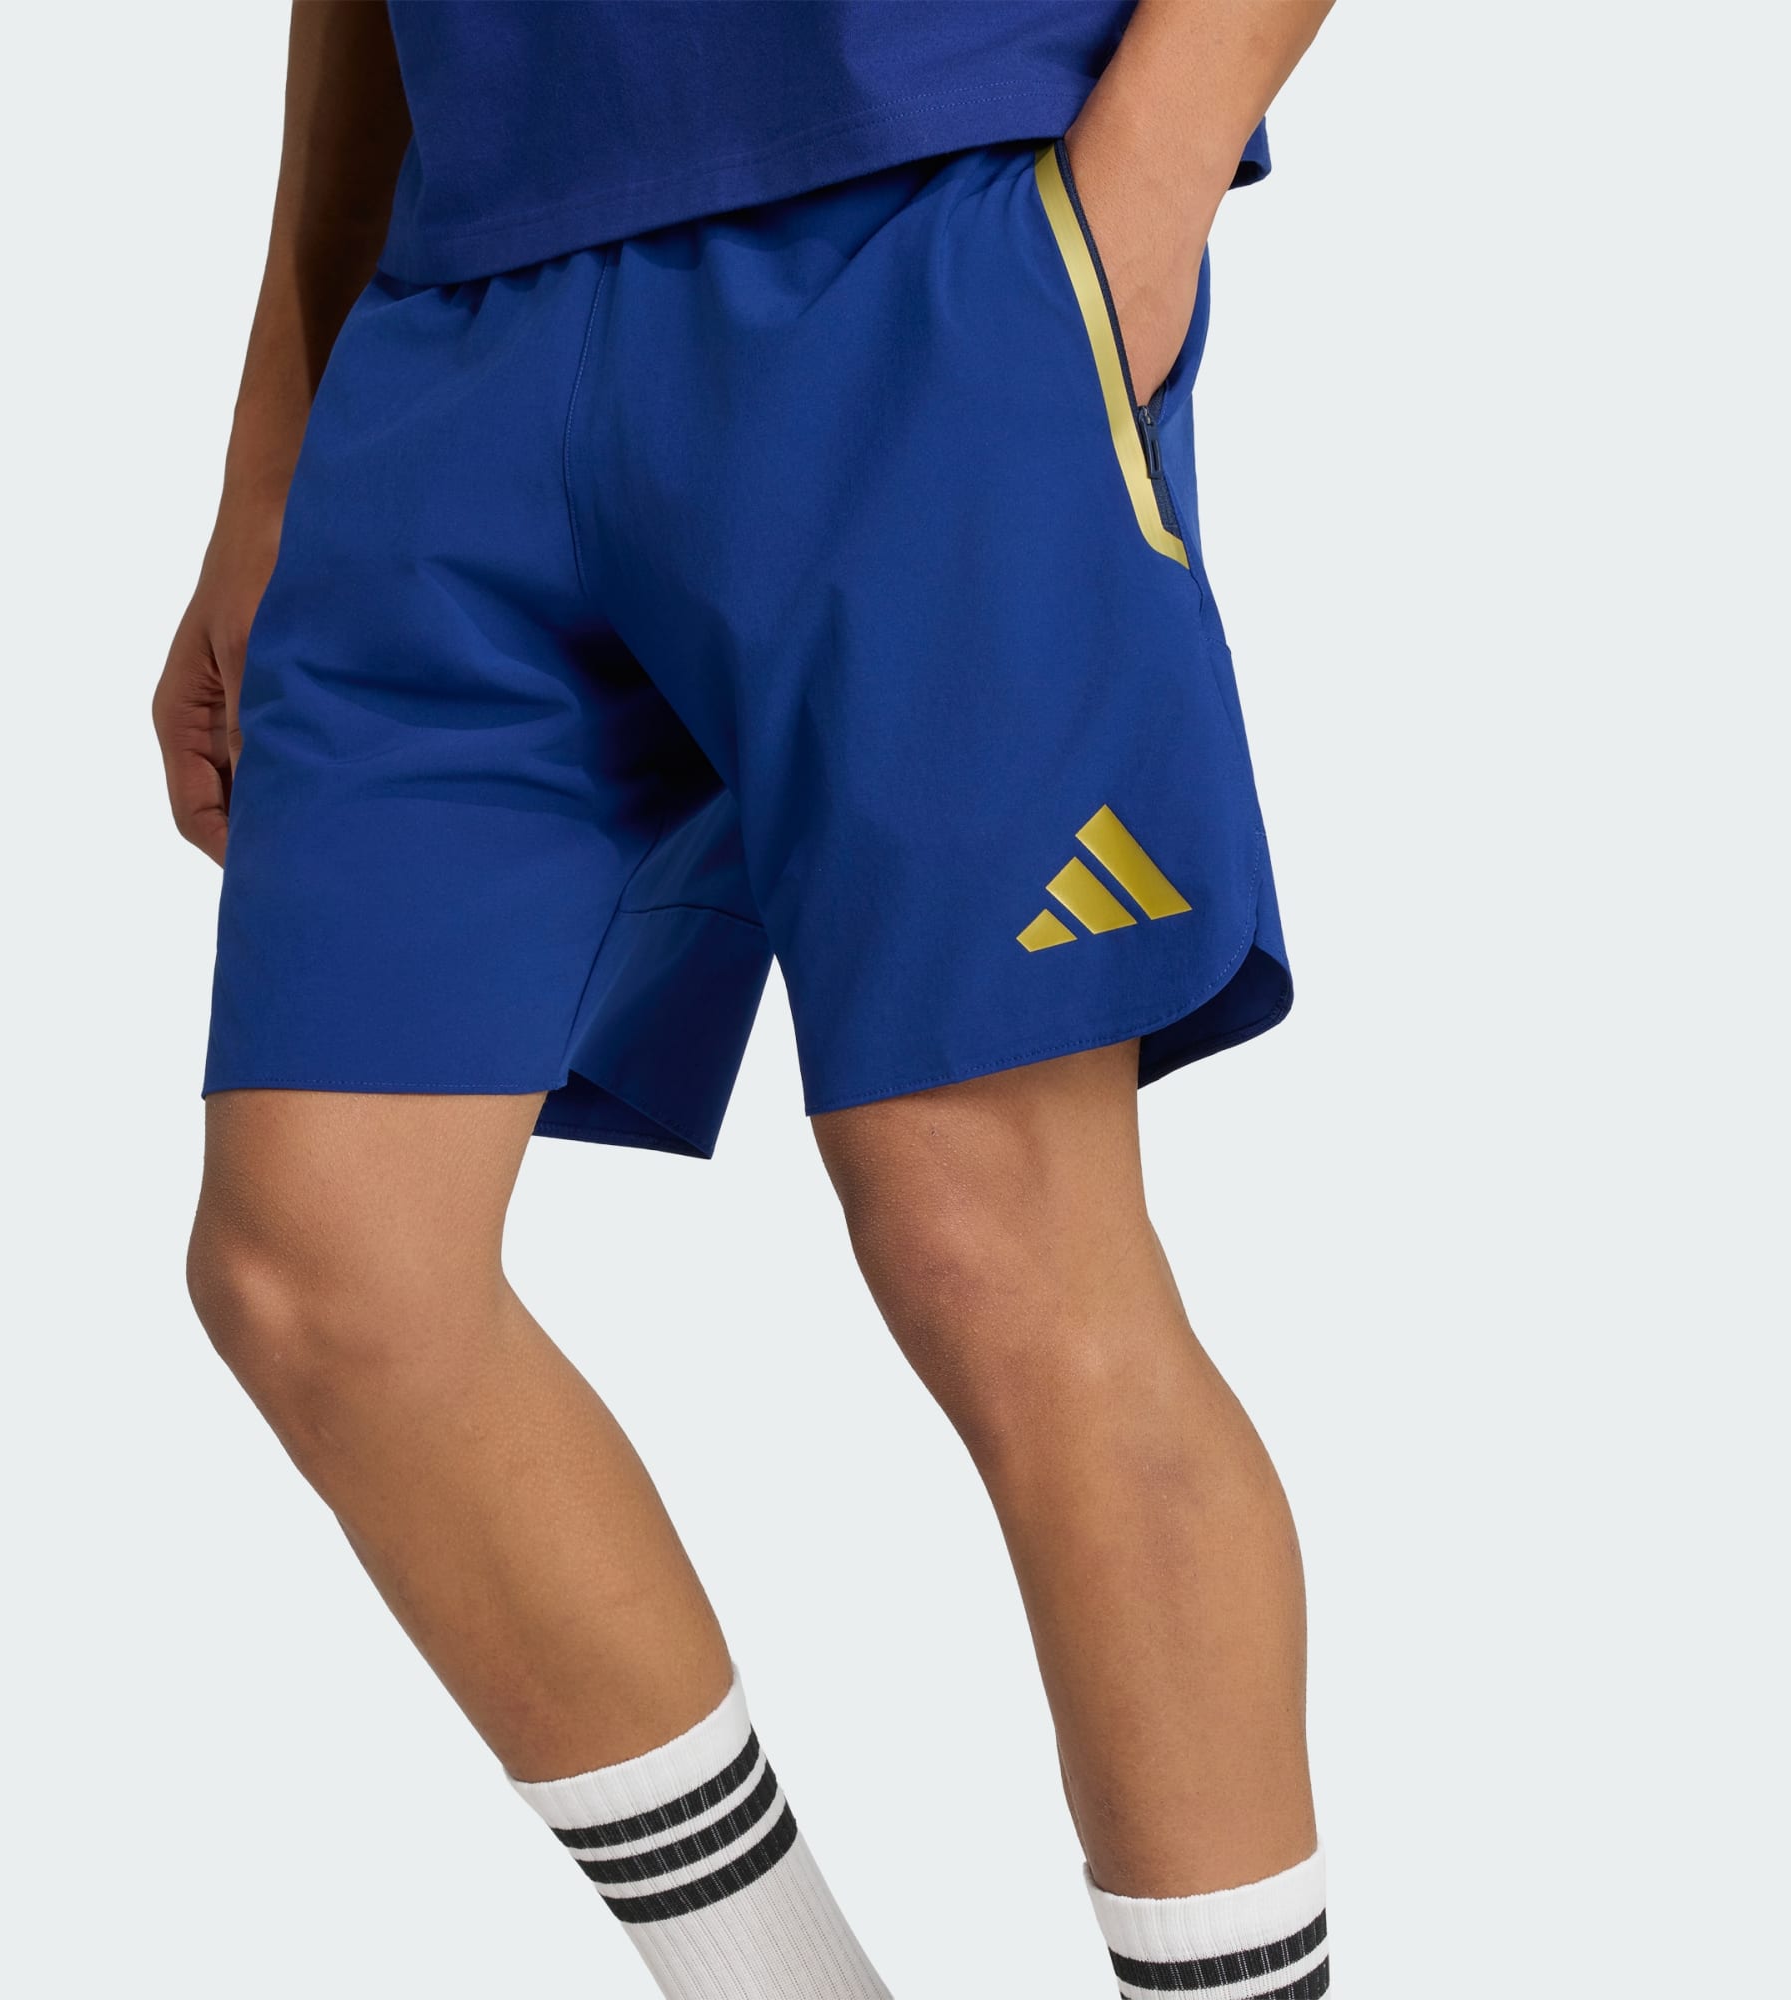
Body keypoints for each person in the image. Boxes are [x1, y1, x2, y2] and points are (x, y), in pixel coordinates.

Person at [152, 4, 1335, 1993]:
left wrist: (1141, 187)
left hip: (916, 229)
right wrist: (277, 441)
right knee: (320, 1270)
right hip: (455, 316)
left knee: (994, 1236)